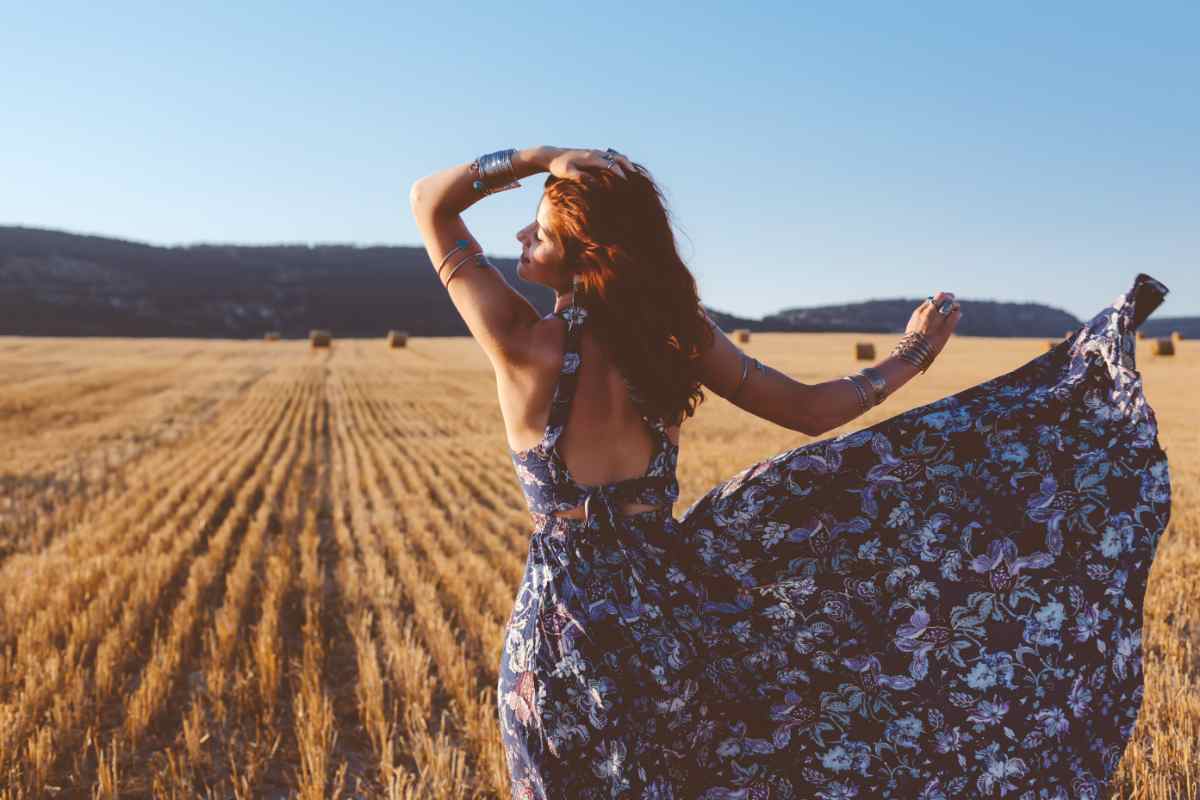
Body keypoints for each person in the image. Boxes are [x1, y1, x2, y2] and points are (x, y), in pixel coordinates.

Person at [409, 147, 1172, 799]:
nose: (518, 234)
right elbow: (809, 411)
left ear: (582, 246)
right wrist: (912, 357)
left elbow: (430, 203)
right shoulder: (674, 341)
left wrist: (544, 155)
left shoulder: (518, 342)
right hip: (669, 625)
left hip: (565, 627)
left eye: (538, 227)